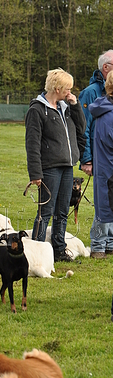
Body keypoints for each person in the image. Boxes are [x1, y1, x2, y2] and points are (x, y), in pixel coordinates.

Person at [25, 68, 86, 262]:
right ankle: (36, 250)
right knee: (46, 210)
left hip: (67, 166)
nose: (70, 92)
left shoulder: (66, 108)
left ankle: (59, 249)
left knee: (62, 210)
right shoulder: (36, 110)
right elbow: (32, 143)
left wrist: (75, 106)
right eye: (67, 88)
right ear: (57, 88)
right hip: (49, 168)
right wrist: (35, 172)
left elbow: (81, 128)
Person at [79, 49, 113, 258]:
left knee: (108, 201)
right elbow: (84, 128)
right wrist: (87, 158)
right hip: (101, 157)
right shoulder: (92, 92)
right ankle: (100, 243)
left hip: (105, 156)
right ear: (106, 67)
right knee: (103, 202)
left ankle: (108, 242)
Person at [88, 72, 113, 261]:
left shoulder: (104, 109)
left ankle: (109, 245)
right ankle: (98, 246)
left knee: (107, 207)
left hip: (106, 166)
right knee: (103, 209)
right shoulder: (108, 113)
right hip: (107, 167)